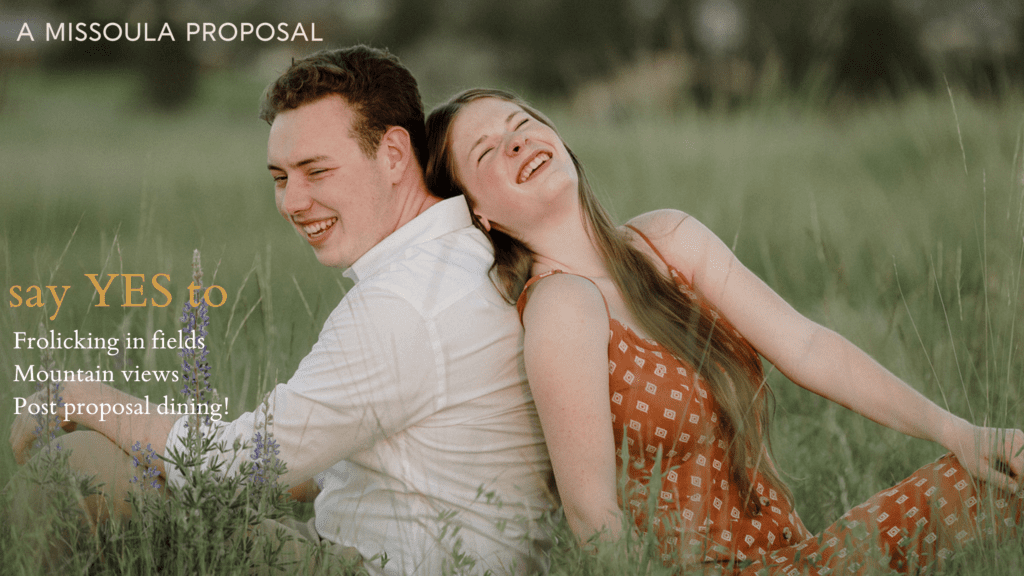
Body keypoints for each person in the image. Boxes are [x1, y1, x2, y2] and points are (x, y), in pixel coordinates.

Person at [424, 88, 1024, 574]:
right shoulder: (559, 307)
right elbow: (590, 514)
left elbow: (809, 346)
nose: (515, 141)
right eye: (486, 151)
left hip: (794, 554)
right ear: (483, 214)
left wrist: (961, 433)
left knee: (1008, 472)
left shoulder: (666, 240)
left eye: (519, 121)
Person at [8, 49, 554, 575]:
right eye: (280, 177)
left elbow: (244, 468)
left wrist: (83, 397)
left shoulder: (404, 302)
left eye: (316, 172)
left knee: (79, 465)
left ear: (392, 153)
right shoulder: (463, 256)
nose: (292, 202)